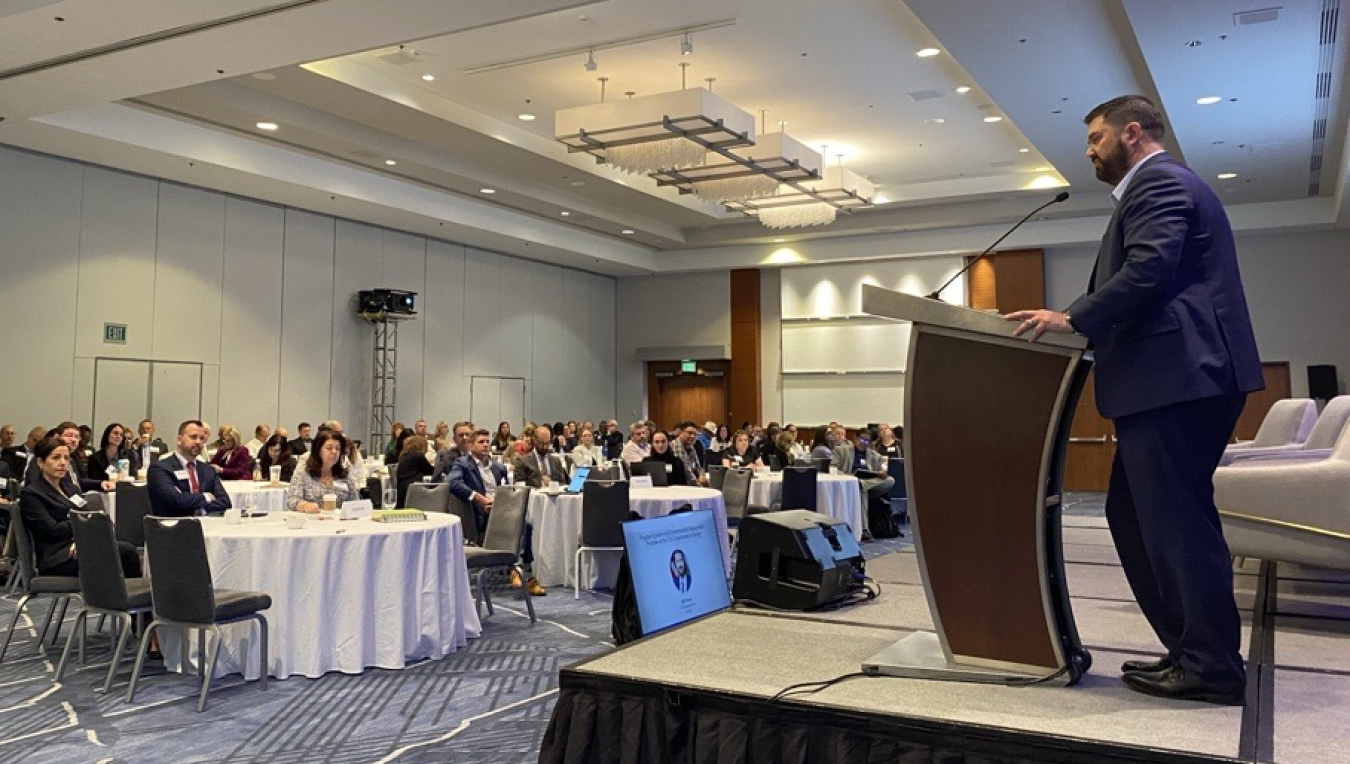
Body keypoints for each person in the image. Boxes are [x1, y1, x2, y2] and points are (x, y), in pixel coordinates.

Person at [1005, 95, 1262, 706]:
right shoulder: (1155, 189)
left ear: (1133, 132)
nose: (1089, 150)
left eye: (1096, 137)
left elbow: (1149, 270)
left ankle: (1211, 664)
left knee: (1175, 524)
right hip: (1175, 383)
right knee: (1136, 516)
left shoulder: (1161, 184)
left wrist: (1070, 317)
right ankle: (1193, 651)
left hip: (1179, 380)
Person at [20, 438, 142, 579]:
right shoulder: (32, 494)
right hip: (57, 558)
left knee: (127, 550)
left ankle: (125, 597)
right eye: (56, 458)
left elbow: (90, 518)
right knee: (124, 552)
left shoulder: (71, 488)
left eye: (66, 458)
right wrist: (79, 525)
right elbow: (53, 531)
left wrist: (82, 536)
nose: (62, 463)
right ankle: (121, 598)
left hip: (82, 547)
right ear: (40, 462)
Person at [146, 420, 232, 516]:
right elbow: (175, 500)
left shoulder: (208, 470)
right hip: (172, 526)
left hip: (206, 526)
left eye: (202, 438)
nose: (198, 442)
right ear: (179, 440)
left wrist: (200, 509)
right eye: (193, 437)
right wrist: (206, 497)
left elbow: (225, 502)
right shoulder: (160, 469)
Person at [285, 431, 362, 513]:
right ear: (318, 450)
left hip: (339, 522)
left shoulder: (344, 474)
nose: (334, 452)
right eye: (329, 448)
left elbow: (355, 502)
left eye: (338, 448)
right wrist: (304, 505)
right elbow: (292, 500)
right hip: (312, 521)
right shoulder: (303, 472)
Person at [448, 429, 507, 534]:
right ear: (471, 446)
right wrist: (479, 498)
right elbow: (453, 482)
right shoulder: (463, 464)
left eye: (487, 442)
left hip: (500, 507)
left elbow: (506, 489)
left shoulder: (499, 467)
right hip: (479, 512)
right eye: (481, 442)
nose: (485, 445)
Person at [395, 434, 434, 508]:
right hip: (412, 491)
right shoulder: (417, 455)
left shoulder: (405, 455)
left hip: (402, 491)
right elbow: (430, 471)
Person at [670, 421, 706, 486]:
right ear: (681, 433)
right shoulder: (676, 445)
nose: (693, 436)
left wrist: (701, 475)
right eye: (690, 433)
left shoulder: (690, 446)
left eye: (695, 434)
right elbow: (686, 470)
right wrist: (698, 485)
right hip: (678, 484)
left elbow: (698, 466)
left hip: (688, 483)